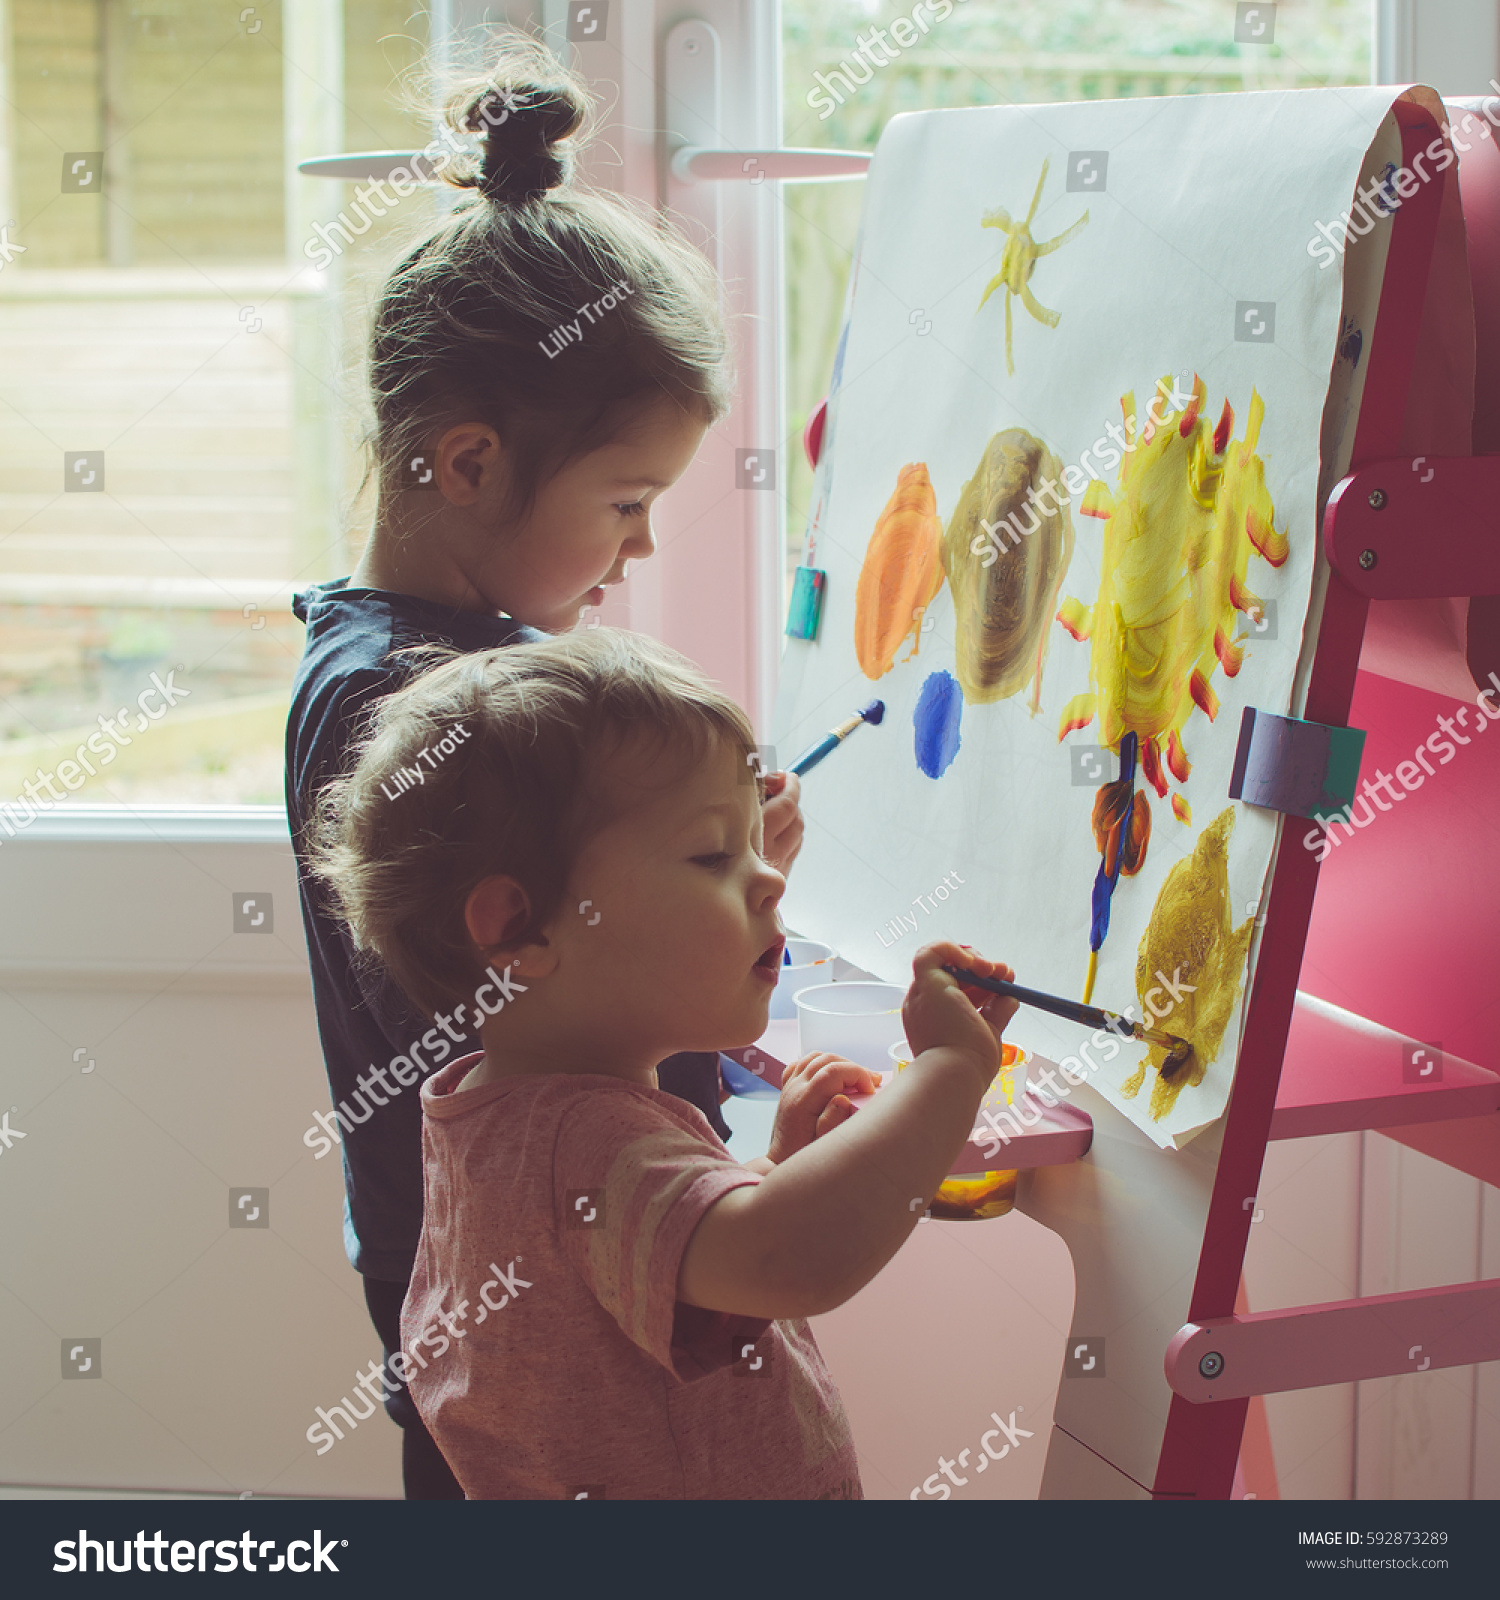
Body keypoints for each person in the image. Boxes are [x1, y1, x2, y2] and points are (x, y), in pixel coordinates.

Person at [284, 37, 803, 1497]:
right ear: (466, 461)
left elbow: (562, 959)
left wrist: (709, 869)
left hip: (547, 1299)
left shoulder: (419, 667)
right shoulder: (415, 702)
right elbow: (536, 1006)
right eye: (626, 502)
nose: (640, 548)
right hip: (538, 1345)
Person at [309, 629, 1019, 1500]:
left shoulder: (495, 1113)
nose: (771, 882)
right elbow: (786, 1260)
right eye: (714, 855)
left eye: (758, 845)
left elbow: (659, 1263)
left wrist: (770, 1172)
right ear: (521, 929)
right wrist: (948, 1070)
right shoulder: (582, 1139)